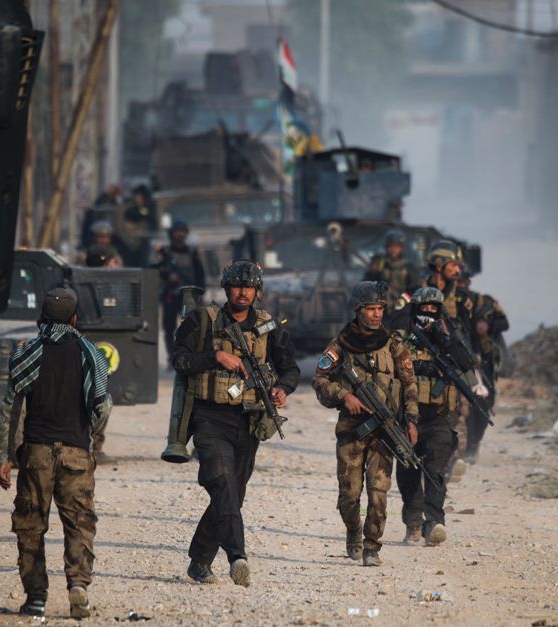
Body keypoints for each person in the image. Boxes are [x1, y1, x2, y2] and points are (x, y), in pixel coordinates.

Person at [172, 260, 300, 586]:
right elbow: (180, 360)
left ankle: (200, 560)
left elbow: (290, 369)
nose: (243, 293)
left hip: (248, 421)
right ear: (227, 289)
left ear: (257, 291)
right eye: (237, 287)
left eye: (249, 287)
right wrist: (215, 357)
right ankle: (237, 556)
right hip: (208, 417)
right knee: (222, 484)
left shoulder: (270, 327)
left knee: (232, 495)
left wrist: (281, 389)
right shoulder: (203, 321)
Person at [0, 287, 110, 619]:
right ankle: (78, 586)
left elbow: (9, 409)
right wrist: (91, 442)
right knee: (79, 523)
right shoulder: (92, 355)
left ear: (41, 318)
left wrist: (3, 457)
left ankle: (35, 598)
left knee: (31, 526)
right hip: (76, 452)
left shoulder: (26, 352)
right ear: (75, 319)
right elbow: (102, 407)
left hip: (36, 454)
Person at [311, 281, 419, 567]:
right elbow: (320, 379)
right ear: (358, 310)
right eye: (371, 309)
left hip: (385, 432)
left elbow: (409, 384)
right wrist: (344, 395)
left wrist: (411, 420)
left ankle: (372, 546)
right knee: (349, 495)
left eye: (380, 309)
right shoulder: (340, 345)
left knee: (378, 492)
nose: (376, 314)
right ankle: (353, 532)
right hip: (352, 432)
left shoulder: (393, 343)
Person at [395, 287, 477, 546]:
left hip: (440, 416)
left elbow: (466, 363)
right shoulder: (401, 338)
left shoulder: (449, 339)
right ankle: (413, 523)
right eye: (424, 308)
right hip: (406, 416)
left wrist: (446, 339)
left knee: (435, 471)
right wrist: (422, 366)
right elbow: (389, 366)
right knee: (408, 472)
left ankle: (433, 522)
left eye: (434, 309)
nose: (428, 313)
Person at [457, 272, 509, 463]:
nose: (460, 285)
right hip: (460, 362)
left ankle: (473, 443)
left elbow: (504, 323)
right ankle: (464, 446)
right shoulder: (447, 302)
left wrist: (487, 325)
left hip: (484, 364)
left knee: (486, 401)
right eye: (457, 282)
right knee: (464, 405)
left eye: (463, 281)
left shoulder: (482, 302)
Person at [153, 220, 206, 367]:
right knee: (169, 327)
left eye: (182, 231)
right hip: (171, 294)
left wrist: (201, 292)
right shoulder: (164, 252)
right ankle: (172, 357)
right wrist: (167, 275)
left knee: (193, 325)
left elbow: (200, 273)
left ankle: (190, 354)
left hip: (189, 294)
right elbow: (154, 269)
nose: (179, 234)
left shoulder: (193, 252)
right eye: (177, 231)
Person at [364, 229, 420, 325]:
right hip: (382, 309)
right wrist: (373, 271)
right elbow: (367, 283)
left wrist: (404, 299)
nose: (394, 249)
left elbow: (415, 288)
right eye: (391, 246)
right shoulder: (380, 264)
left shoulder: (408, 267)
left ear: (401, 248)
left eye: (397, 246)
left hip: (402, 310)